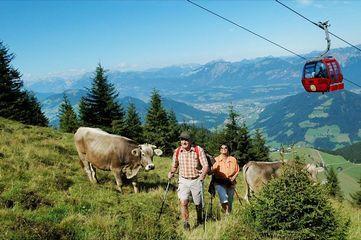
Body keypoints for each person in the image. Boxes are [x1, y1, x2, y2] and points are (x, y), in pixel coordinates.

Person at [168, 131, 209, 230]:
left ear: (190, 140)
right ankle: (186, 223)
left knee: (198, 203)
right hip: (183, 180)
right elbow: (174, 166)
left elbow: (205, 165)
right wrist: (171, 172)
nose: (184, 141)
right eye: (182, 139)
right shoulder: (177, 151)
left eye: (186, 139)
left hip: (196, 180)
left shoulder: (198, 150)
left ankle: (199, 218)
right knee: (183, 202)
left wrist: (203, 174)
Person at [211, 144, 239, 214]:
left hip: (231, 182)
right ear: (220, 150)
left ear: (228, 149)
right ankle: (227, 214)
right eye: (222, 148)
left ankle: (228, 212)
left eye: (226, 148)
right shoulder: (215, 160)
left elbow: (237, 170)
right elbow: (211, 171)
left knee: (230, 199)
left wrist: (233, 177)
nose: (224, 149)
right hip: (219, 182)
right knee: (224, 198)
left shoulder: (233, 159)